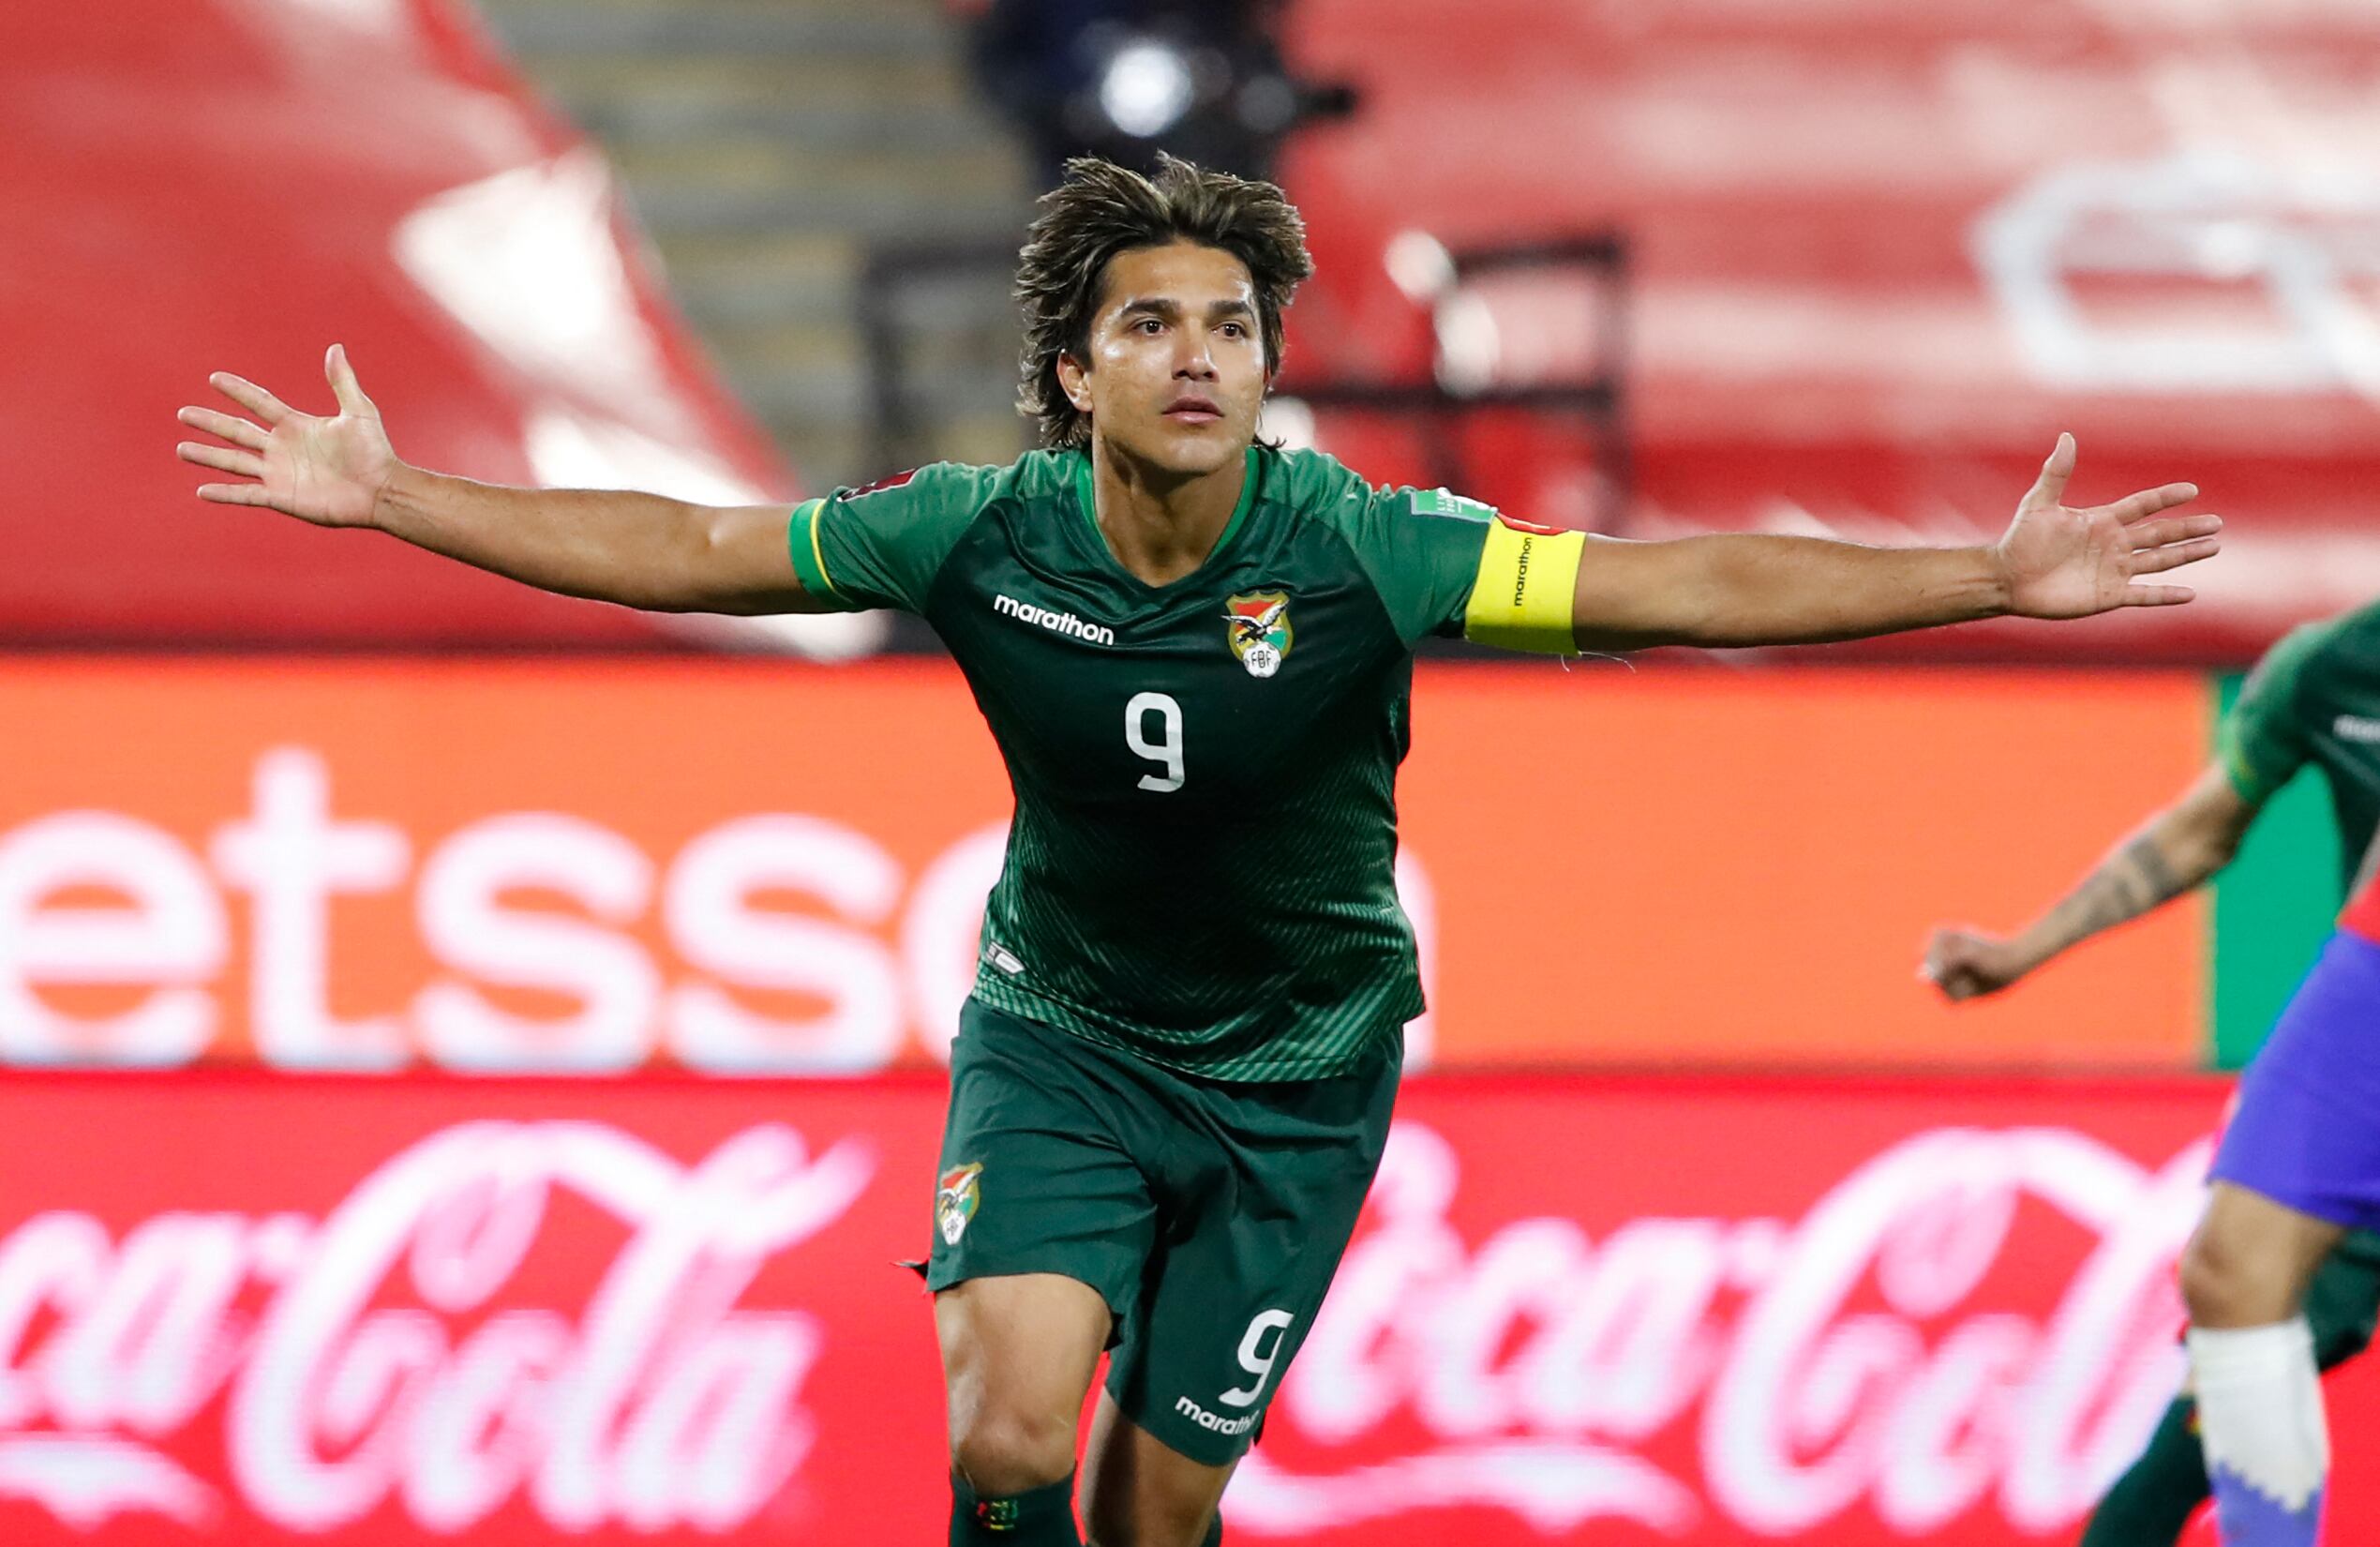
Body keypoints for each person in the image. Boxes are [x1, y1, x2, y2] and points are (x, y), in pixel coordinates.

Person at [179, 155, 2220, 1547]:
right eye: (1149, 326)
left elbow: (1672, 584)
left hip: (1299, 1077)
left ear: (1263, 366)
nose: (1194, 357)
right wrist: (401, 497)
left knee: (1157, 1512)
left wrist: (1983, 578)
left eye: (1229, 327)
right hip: (1063, 1036)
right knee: (1005, 1422)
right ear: (1074, 373)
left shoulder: (1365, 550)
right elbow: (697, 548)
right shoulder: (973, 533)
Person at [1927, 599, 2380, 1547]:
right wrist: (2023, 949)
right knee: (2232, 1301)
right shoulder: (2328, 667)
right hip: (2365, 1029)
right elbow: (2197, 831)